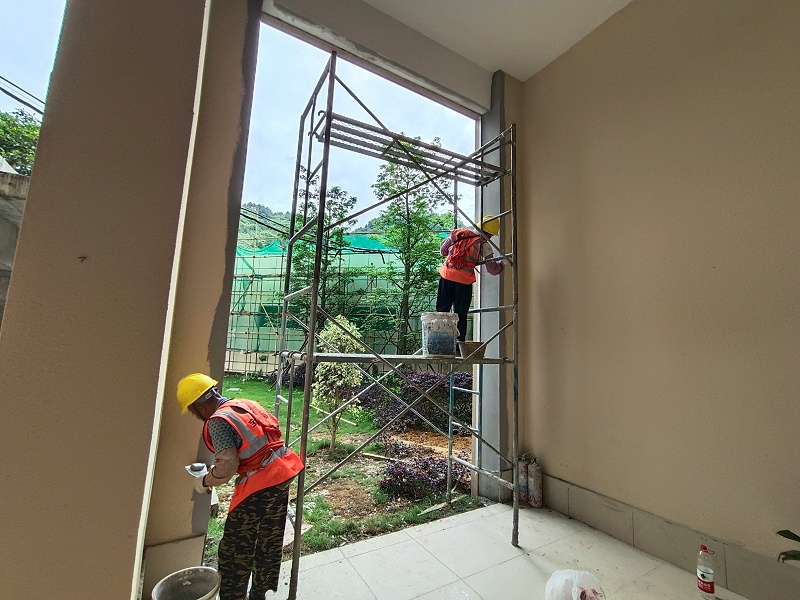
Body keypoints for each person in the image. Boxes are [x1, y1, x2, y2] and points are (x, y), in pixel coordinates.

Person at [177, 372, 304, 600]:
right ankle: (260, 593)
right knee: (269, 537)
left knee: (235, 549)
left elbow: (227, 465)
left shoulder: (218, 421)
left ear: (200, 407)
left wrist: (204, 480)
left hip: (261, 483)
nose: (196, 416)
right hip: (283, 471)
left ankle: (233, 596)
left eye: (193, 412)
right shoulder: (244, 404)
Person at [436, 214, 504, 341]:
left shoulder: (459, 234)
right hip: (463, 282)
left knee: (442, 311)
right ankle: (458, 346)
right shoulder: (484, 244)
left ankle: (438, 342)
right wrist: (502, 264)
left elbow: (443, 251)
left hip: (446, 276)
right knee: (460, 314)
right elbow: (492, 269)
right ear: (489, 233)